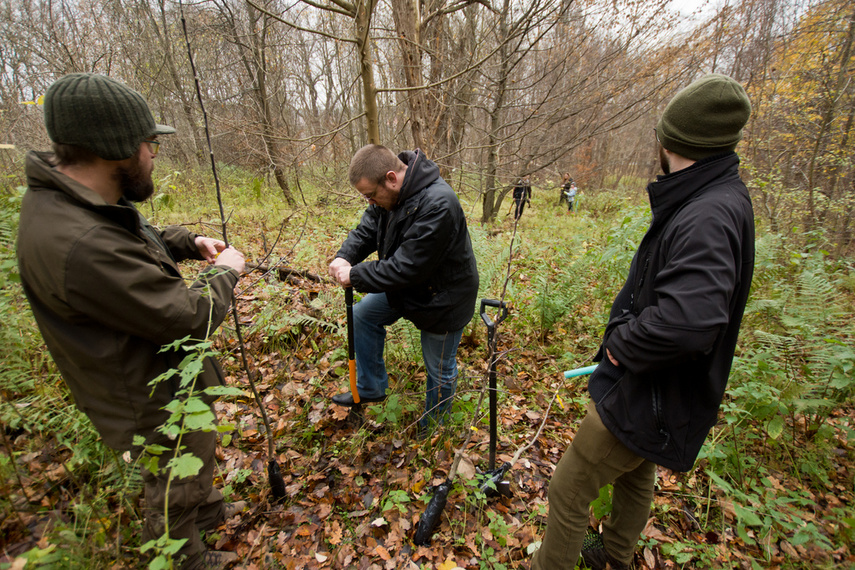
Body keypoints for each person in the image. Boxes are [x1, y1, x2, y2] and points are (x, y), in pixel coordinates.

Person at [16, 73, 247, 569]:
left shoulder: (78, 203)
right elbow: (187, 316)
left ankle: (204, 518)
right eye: (149, 144)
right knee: (172, 474)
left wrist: (188, 243)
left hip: (155, 371)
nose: (152, 155)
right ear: (117, 147)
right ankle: (183, 557)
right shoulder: (76, 242)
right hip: (142, 392)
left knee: (195, 452)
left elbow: (132, 234)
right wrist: (226, 274)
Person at [532, 74, 755, 570]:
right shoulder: (712, 196)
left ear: (673, 139)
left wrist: (623, 345)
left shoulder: (708, 214)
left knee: (567, 489)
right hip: (660, 393)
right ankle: (614, 556)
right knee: (636, 470)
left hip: (647, 388)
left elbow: (690, 322)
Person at [328, 145, 479, 434]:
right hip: (408, 287)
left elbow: (406, 267)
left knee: (439, 369)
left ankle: (434, 427)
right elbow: (369, 226)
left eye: (371, 195)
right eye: (366, 197)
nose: (370, 201)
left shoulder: (439, 204)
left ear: (391, 178)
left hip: (443, 298)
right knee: (363, 315)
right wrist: (345, 256)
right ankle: (371, 387)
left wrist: (355, 275)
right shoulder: (389, 196)